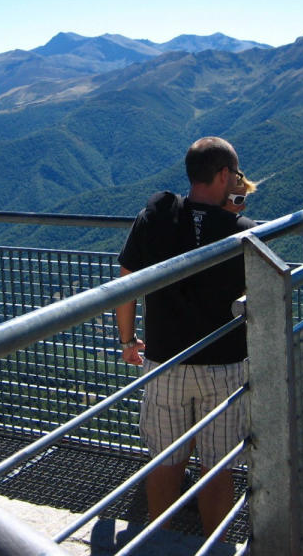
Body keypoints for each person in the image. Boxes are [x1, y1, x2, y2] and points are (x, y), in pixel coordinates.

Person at [116, 136, 255, 536]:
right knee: (217, 466)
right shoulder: (242, 232)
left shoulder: (155, 218)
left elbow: (125, 284)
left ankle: (161, 542)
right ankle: (214, 544)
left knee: (165, 461)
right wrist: (234, 216)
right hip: (224, 365)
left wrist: (128, 342)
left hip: (165, 361)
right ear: (226, 175)